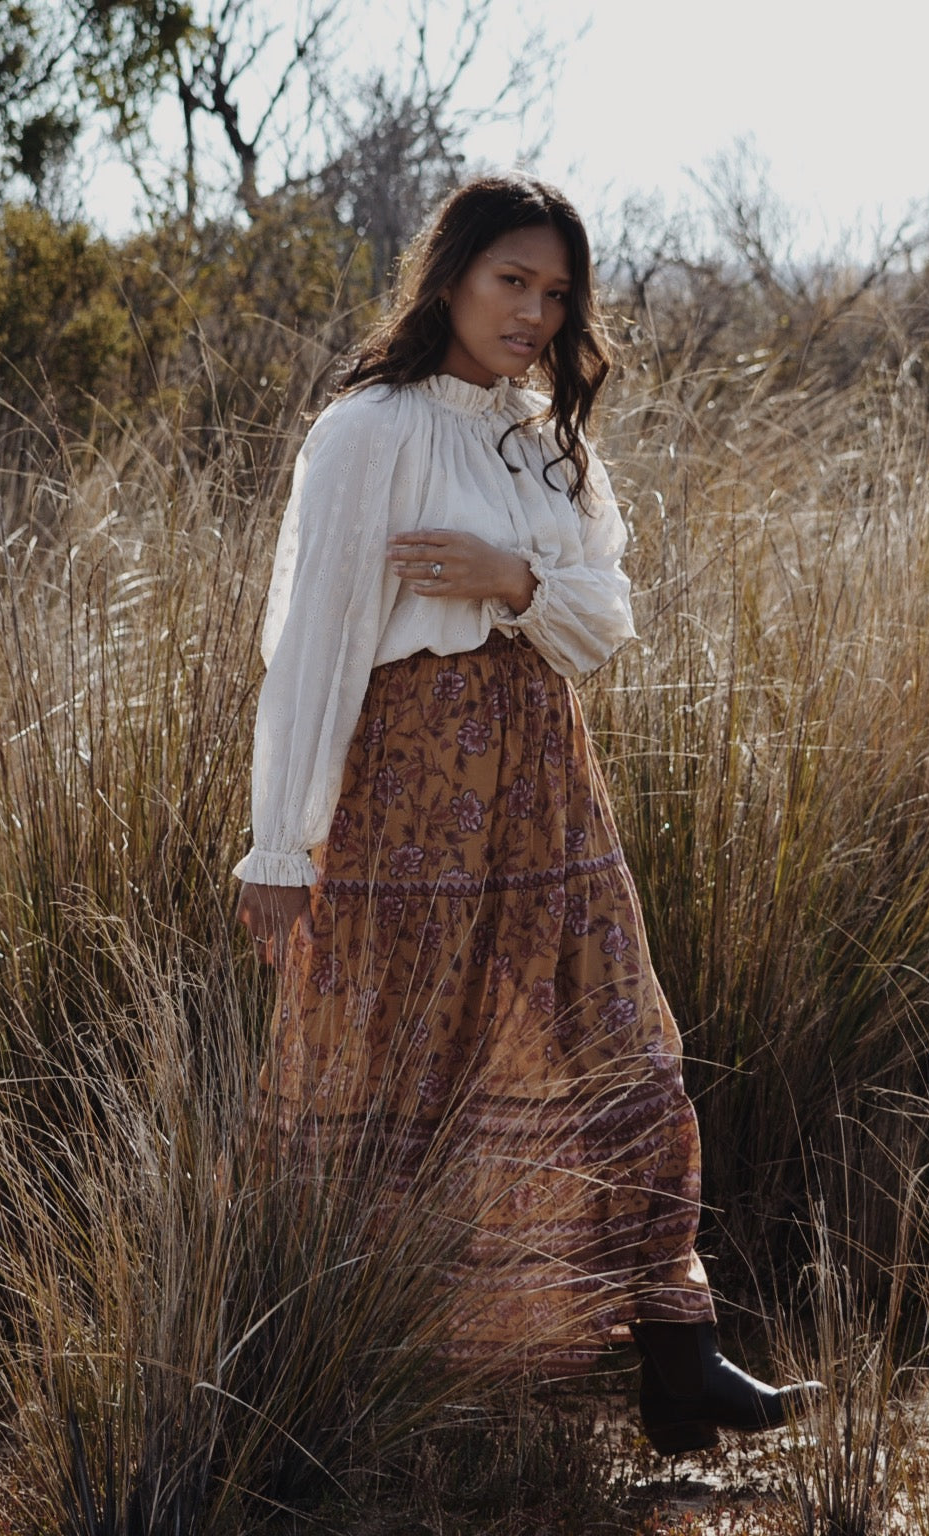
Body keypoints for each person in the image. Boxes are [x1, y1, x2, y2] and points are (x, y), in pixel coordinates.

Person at [234, 173, 820, 1455]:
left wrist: (514, 577)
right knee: (405, 1071)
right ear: (448, 276)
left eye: (556, 293)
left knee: (620, 1042)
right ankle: (350, 1378)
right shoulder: (368, 432)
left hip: (549, 790)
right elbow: (317, 644)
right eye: (514, 281)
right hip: (409, 795)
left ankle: (679, 1351)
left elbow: (601, 619)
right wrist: (282, 842)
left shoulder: (545, 440)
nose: (537, 313)